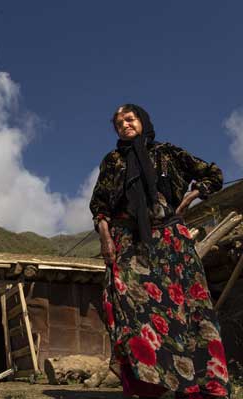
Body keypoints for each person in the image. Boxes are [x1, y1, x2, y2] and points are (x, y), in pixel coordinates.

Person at [89, 104, 231, 398]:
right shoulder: (113, 161)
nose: (124, 125)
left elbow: (212, 174)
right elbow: (99, 205)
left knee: (186, 308)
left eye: (129, 119)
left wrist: (192, 195)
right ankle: (147, 385)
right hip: (127, 241)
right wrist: (105, 238)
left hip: (171, 241)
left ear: (142, 121)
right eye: (118, 123)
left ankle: (196, 385)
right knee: (124, 303)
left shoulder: (167, 153)